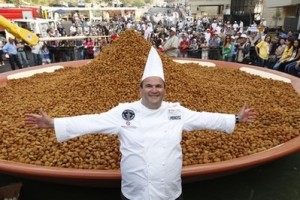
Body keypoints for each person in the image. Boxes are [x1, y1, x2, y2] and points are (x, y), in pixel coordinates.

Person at [24, 47, 256, 200]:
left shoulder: (177, 111)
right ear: (141, 89)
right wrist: (53, 123)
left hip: (169, 192)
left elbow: (206, 118)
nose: (154, 90)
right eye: (149, 86)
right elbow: (92, 122)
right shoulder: (125, 112)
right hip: (135, 193)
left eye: (158, 86)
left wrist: (235, 118)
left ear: (165, 90)